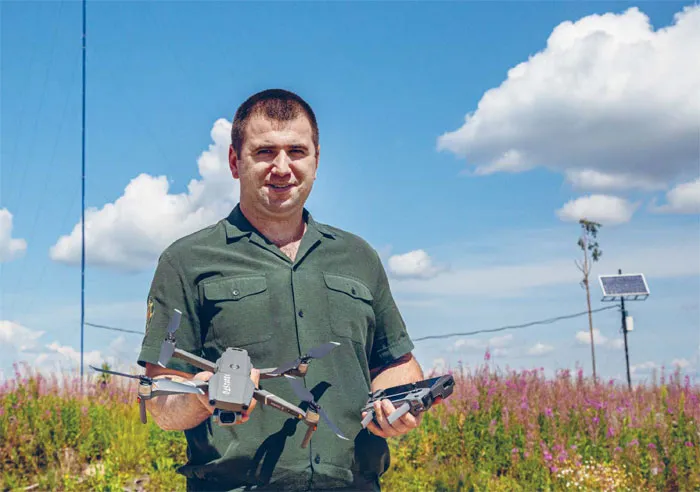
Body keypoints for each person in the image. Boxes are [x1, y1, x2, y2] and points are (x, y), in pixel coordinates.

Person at [137, 88, 425, 491]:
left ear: (317, 160)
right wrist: (203, 393)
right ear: (235, 162)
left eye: (297, 151)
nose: (283, 167)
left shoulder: (360, 258)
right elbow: (159, 397)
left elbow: (396, 363)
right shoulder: (185, 262)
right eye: (265, 152)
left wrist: (400, 401)